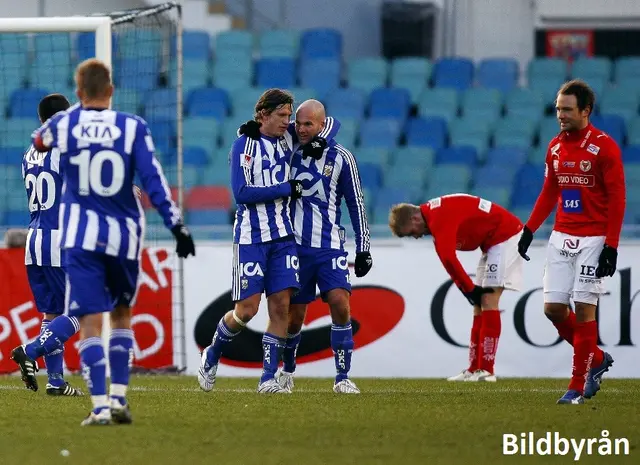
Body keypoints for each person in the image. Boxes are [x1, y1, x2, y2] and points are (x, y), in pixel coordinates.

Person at [29, 58, 195, 425]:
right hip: (123, 237)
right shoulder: (133, 126)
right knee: (122, 315)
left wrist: (67, 117)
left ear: (78, 92)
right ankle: (119, 399)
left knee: (89, 321)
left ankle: (100, 406)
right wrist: (177, 227)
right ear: (111, 91)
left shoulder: (66, 123)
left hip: (80, 237)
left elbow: (38, 140)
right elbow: (154, 181)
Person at [197, 89, 339, 394]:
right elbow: (242, 194)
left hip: (283, 238)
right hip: (250, 238)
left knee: (280, 309)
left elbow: (329, 124)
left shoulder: (287, 137)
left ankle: (267, 378)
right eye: (282, 116)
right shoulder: (243, 144)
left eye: (290, 116)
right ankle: (211, 354)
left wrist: (314, 136)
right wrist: (286, 188)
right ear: (263, 115)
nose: (288, 123)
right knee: (246, 311)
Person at [517, 79, 625, 405]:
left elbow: (618, 198)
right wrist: (529, 229)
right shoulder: (554, 147)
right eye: (557, 109)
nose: (560, 115)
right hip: (562, 235)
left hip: (594, 237)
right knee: (552, 309)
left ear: (585, 111)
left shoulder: (604, 147)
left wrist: (612, 244)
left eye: (567, 109)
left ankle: (576, 387)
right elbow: (551, 191)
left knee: (584, 311)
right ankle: (597, 357)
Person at [388, 194, 524, 382]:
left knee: (488, 300)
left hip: (506, 236)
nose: (417, 236)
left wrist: (469, 289)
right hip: (492, 242)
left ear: (415, 218)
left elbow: (449, 258)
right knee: (479, 304)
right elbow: (447, 262)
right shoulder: (433, 218)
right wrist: (468, 291)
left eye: (412, 232)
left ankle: (487, 370)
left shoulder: (438, 217)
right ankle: (474, 368)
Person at [10, 94, 84, 397]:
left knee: (53, 313)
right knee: (85, 310)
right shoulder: (64, 149)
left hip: (35, 240)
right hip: (61, 241)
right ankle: (29, 350)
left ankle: (55, 381)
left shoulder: (30, 152)